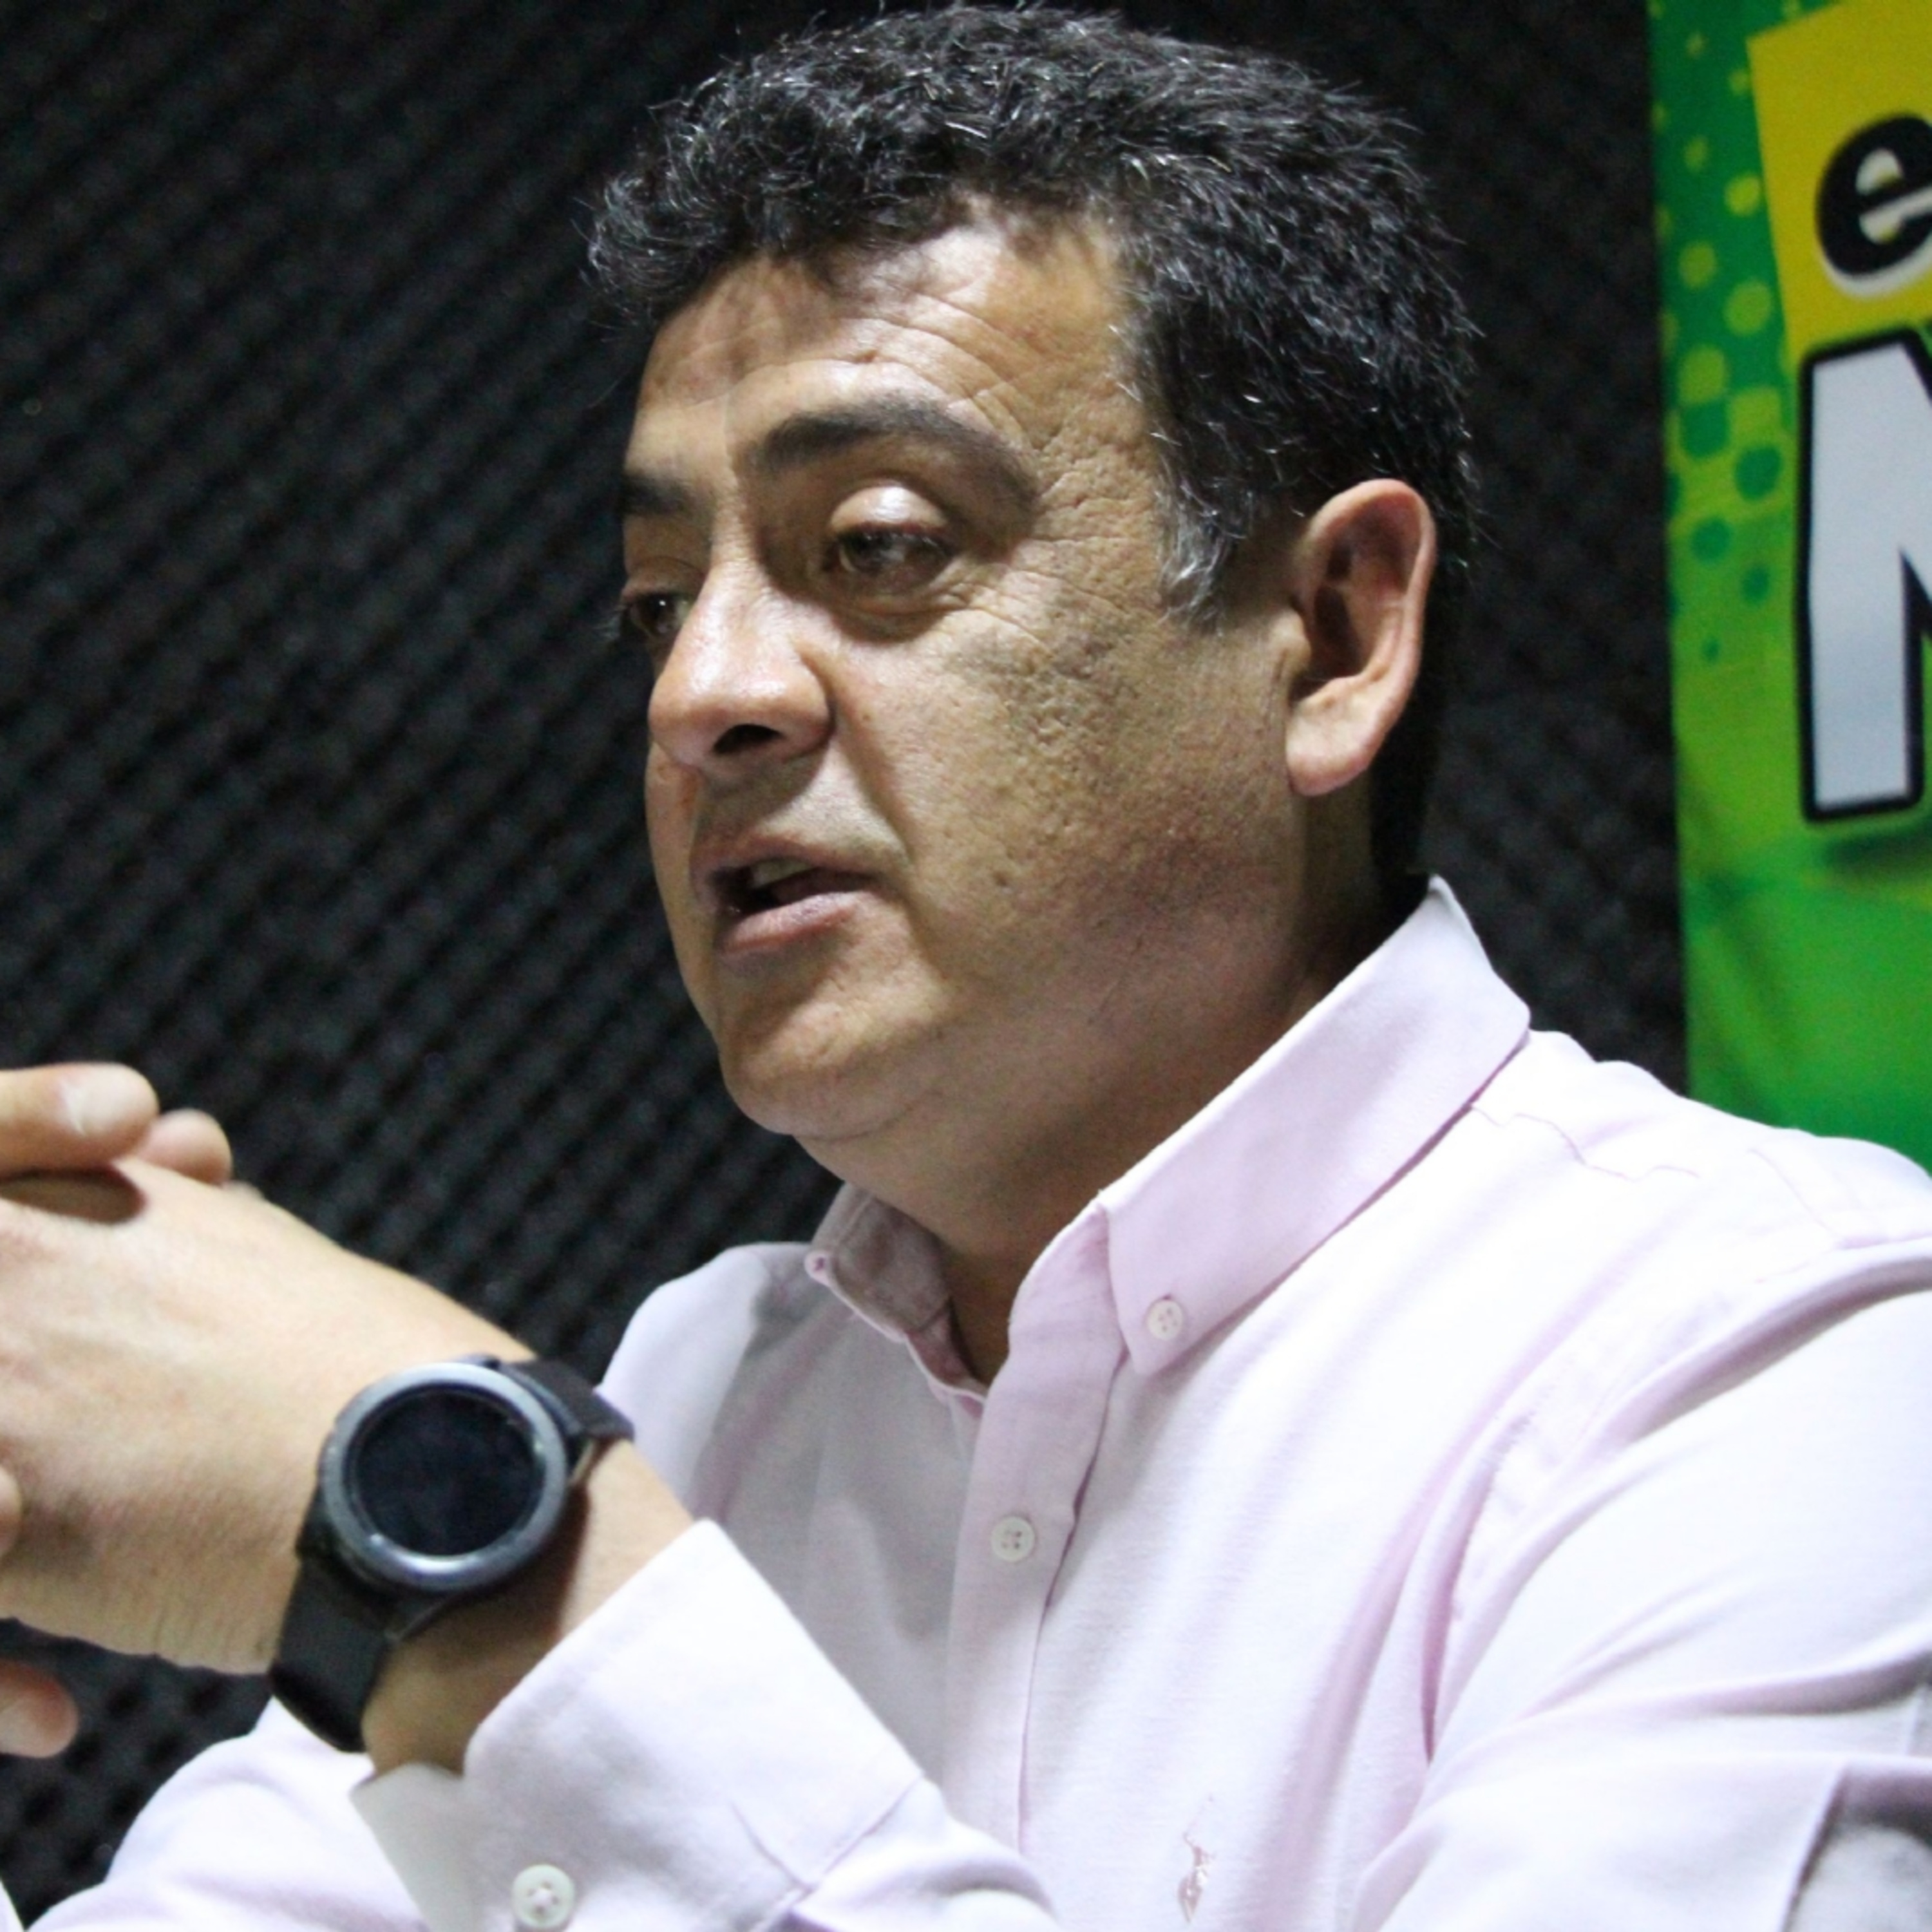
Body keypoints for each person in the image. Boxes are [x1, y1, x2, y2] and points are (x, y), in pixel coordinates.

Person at [1, 8, 1929, 1929]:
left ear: (1334, 637)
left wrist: (474, 1552)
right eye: (661, 600)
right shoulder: (711, 1390)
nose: (700, 692)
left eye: (879, 543)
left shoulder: (1787, 1369)